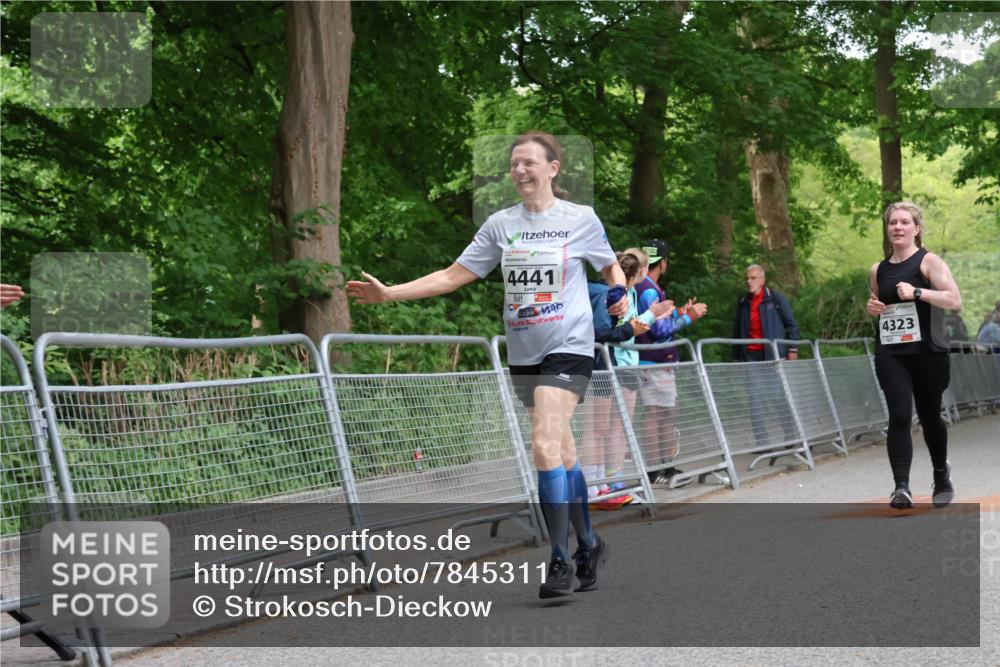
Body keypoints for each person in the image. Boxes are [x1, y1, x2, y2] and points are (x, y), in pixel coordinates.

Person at [347, 131, 628, 599]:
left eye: (529, 163)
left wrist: (621, 295)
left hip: (570, 346)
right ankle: (590, 544)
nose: (519, 171)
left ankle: (558, 559)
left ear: (553, 169)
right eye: (514, 164)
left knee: (542, 444)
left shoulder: (580, 219)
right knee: (563, 453)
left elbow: (611, 267)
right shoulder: (501, 225)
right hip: (525, 353)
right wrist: (389, 292)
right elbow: (452, 275)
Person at [865, 201, 962, 509]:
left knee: (930, 416)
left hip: (927, 352)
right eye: (893, 222)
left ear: (916, 229)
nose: (898, 227)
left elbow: (954, 300)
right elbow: (879, 306)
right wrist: (872, 309)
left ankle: (941, 475)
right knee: (900, 415)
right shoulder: (878, 270)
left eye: (904, 222)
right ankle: (901, 487)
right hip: (891, 352)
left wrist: (919, 292)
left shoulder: (929, 261)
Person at [587, 249, 674, 508]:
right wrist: (651, 316)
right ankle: (594, 486)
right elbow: (609, 331)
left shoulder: (629, 293)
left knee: (615, 426)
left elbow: (627, 327)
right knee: (598, 428)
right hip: (605, 363)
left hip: (622, 363)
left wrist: (650, 317)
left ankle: (611, 483)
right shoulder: (605, 293)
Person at [633, 239, 707, 487]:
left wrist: (677, 312)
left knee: (663, 412)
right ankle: (658, 470)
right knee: (657, 413)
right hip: (654, 360)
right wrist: (689, 317)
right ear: (663, 262)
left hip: (652, 360)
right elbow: (659, 330)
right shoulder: (650, 289)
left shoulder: (645, 286)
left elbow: (653, 320)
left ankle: (663, 466)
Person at [732, 264, 800, 446]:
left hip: (773, 355)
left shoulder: (775, 298)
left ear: (762, 280)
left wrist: (792, 349)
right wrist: (737, 357)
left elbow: (791, 324)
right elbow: (737, 330)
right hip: (751, 356)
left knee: (778, 395)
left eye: (753, 278)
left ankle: (790, 434)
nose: (749, 282)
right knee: (755, 399)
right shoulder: (743, 301)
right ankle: (762, 442)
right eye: (747, 278)